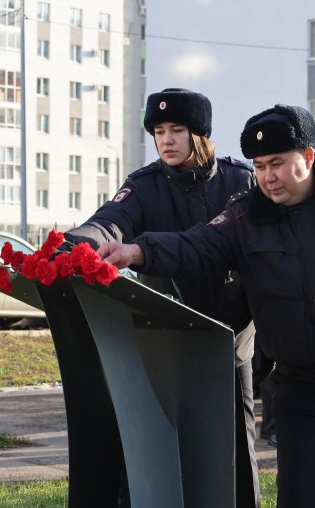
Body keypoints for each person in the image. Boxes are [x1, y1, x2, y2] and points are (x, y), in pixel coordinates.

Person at [101, 104, 315, 508]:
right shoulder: (245, 216)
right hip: (301, 387)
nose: (267, 177)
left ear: (308, 156)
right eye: (260, 166)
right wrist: (135, 252)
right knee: (297, 498)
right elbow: (196, 244)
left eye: (277, 164)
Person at [62, 88, 260, 507]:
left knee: (236, 453)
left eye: (177, 130)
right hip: (164, 341)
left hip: (231, 345)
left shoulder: (240, 181)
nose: (166, 140)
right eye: (159, 131)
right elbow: (108, 223)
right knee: (156, 452)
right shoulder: (143, 187)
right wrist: (75, 246)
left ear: (200, 134)